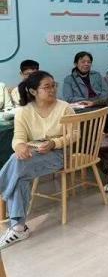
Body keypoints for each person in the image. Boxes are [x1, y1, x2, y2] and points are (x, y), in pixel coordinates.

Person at [0, 71, 75, 249]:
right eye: (47, 87)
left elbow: (74, 135)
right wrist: (20, 146)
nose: (52, 90)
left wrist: (54, 143)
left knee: (17, 163)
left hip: (59, 154)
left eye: (53, 85)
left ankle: (18, 227)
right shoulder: (23, 111)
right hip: (34, 154)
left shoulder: (64, 107)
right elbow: (18, 138)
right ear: (33, 91)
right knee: (19, 171)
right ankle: (18, 227)